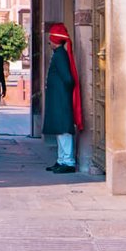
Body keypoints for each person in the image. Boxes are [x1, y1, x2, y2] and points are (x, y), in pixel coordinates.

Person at [41, 23, 85, 173]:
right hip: (58, 98)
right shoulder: (59, 54)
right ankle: (61, 160)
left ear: (55, 40)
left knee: (64, 130)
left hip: (61, 98)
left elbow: (68, 79)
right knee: (59, 130)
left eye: (50, 39)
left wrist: (62, 92)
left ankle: (68, 161)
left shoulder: (60, 56)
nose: (49, 42)